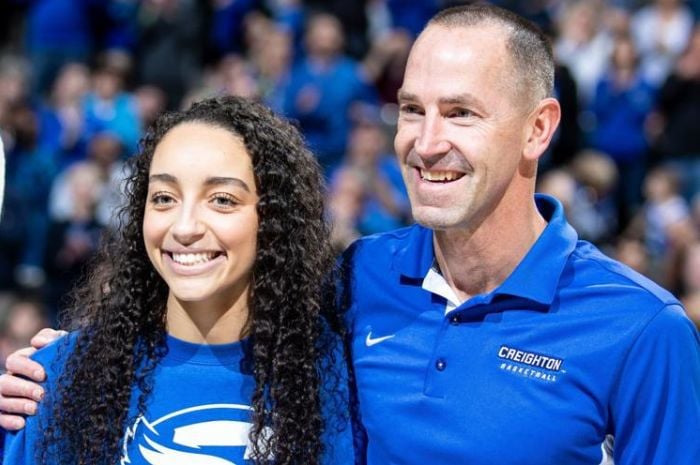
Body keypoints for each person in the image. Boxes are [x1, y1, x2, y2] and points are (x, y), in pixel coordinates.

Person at [3, 5, 700, 465]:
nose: (428, 143)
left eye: (461, 113)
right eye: (412, 110)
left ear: (539, 127)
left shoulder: (641, 330)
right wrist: (64, 360)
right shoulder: (353, 279)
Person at [1, 95, 351, 464]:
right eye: (164, 198)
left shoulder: (333, 377)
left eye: (222, 200)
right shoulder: (58, 377)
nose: (184, 228)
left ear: (276, 219)